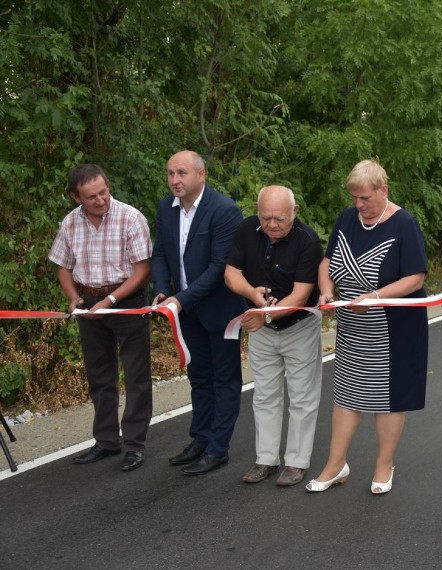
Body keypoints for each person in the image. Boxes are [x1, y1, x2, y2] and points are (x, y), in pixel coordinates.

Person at [306, 159, 428, 495]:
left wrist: (375, 296)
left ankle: (384, 464)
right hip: (353, 327)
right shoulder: (347, 218)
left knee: (387, 398)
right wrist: (327, 290)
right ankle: (336, 464)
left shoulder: (404, 224)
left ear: (383, 190)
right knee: (346, 393)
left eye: (366, 198)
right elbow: (328, 261)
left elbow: (415, 277)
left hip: (394, 327)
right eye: (355, 198)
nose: (359, 205)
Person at [49, 164, 153, 472]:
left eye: (104, 192)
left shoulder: (130, 218)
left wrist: (110, 300)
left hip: (126, 300)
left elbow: (143, 270)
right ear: (76, 197)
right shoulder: (69, 223)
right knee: (99, 374)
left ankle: (134, 444)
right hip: (88, 300)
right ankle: (107, 440)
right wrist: (73, 298)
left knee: (136, 376)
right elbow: (63, 267)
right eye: (91, 196)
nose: (100, 200)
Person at [151, 150, 247, 476]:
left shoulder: (224, 210)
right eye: (170, 173)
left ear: (201, 175)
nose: (175, 180)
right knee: (199, 379)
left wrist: (181, 299)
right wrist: (164, 289)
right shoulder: (166, 208)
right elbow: (161, 253)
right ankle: (200, 439)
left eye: (182, 173)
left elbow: (221, 267)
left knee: (224, 380)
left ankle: (218, 448)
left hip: (222, 311)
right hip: (187, 312)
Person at [224, 186, 324, 486]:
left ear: (294, 212)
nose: (271, 224)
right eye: (265, 216)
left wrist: (264, 315)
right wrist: (250, 293)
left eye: (279, 217)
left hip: (299, 326)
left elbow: (302, 294)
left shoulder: (307, 241)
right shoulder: (246, 229)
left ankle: (296, 462)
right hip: (261, 327)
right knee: (264, 394)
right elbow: (231, 273)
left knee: (302, 397)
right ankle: (266, 458)